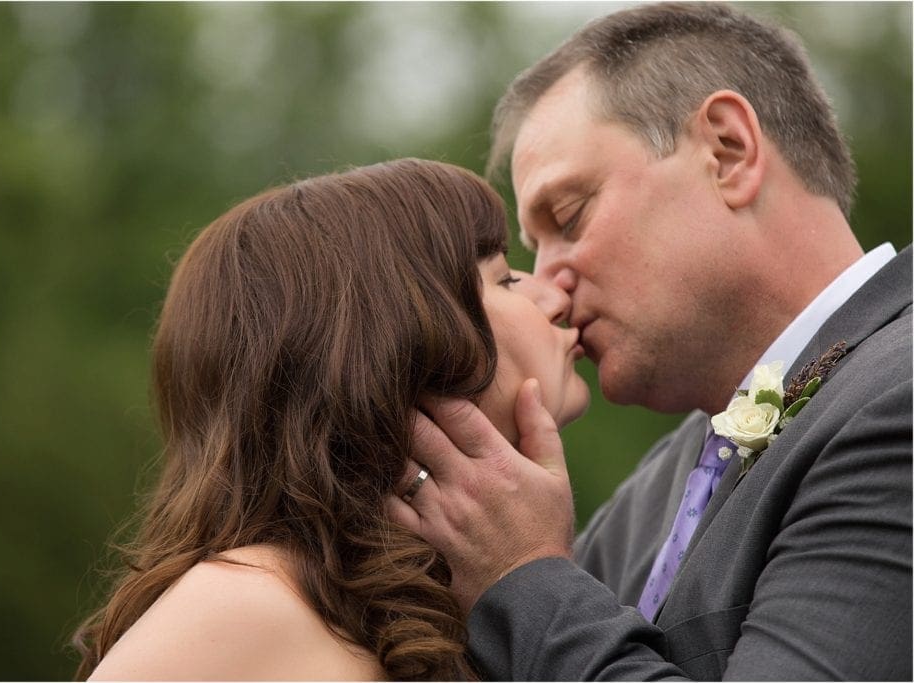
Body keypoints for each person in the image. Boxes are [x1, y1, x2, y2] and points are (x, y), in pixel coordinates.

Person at [389, 3, 912, 680]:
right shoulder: (661, 488)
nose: (547, 282)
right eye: (531, 247)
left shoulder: (897, 403)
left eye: (569, 215)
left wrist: (523, 576)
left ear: (728, 150)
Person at [72, 158, 590, 680]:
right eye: (505, 279)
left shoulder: (413, 604)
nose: (554, 296)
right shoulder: (245, 606)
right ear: (396, 345)